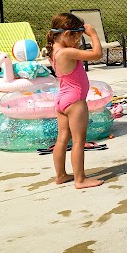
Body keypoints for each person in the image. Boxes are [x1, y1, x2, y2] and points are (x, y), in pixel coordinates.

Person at [46, 13, 104, 189]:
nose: (77, 41)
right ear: (66, 34)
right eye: (76, 37)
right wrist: (93, 34)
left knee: (62, 139)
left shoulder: (54, 51)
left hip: (62, 100)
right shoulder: (67, 52)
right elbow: (97, 54)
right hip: (75, 101)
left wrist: (76, 40)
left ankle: (61, 175)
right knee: (79, 140)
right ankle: (80, 179)